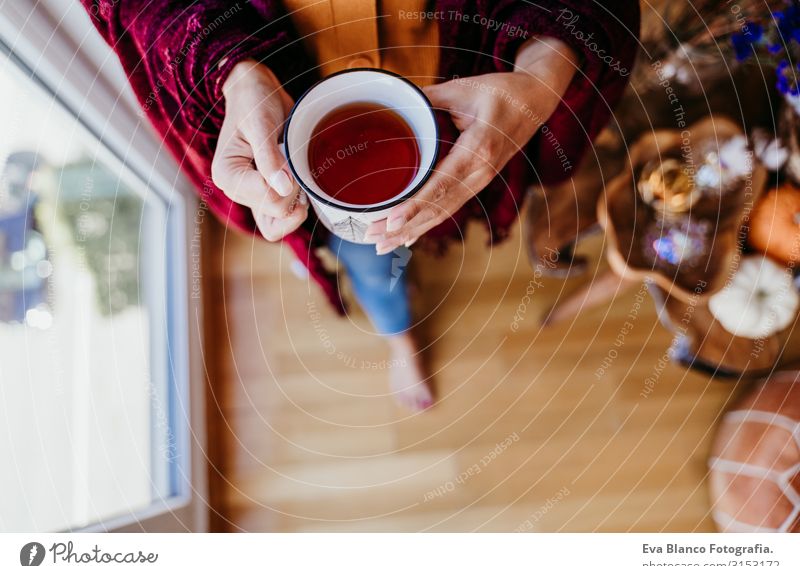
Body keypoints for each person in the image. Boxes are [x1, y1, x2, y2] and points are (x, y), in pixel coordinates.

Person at [81, 1, 639, 410]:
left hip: (452, 99)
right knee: (373, 261)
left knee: (434, 215)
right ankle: (401, 337)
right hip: (298, 114)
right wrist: (234, 69)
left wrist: (542, 73)